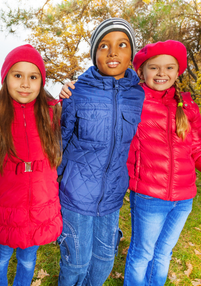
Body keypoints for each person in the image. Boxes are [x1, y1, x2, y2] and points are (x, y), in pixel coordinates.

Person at [60, 40, 201, 286]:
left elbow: (199, 150)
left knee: (163, 255)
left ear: (178, 71)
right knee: (142, 254)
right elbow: (107, 95)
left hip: (183, 199)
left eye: (170, 67)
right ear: (141, 71)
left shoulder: (187, 106)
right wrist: (72, 87)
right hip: (149, 196)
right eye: (154, 68)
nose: (162, 73)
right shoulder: (135, 99)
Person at [56, 18, 145, 286]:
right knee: (76, 263)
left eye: (122, 45)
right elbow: (60, 141)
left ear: (131, 54)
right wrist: (50, 185)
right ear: (95, 54)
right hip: (76, 196)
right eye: (104, 46)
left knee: (104, 262)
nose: (113, 52)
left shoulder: (138, 95)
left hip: (112, 197)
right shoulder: (77, 91)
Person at [0, 44, 63, 286]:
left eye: (33, 77)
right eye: (18, 75)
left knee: (28, 258)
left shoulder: (52, 113)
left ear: (41, 81)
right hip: (7, 202)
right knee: (2, 254)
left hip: (39, 202)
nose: (25, 84)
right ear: (6, 78)